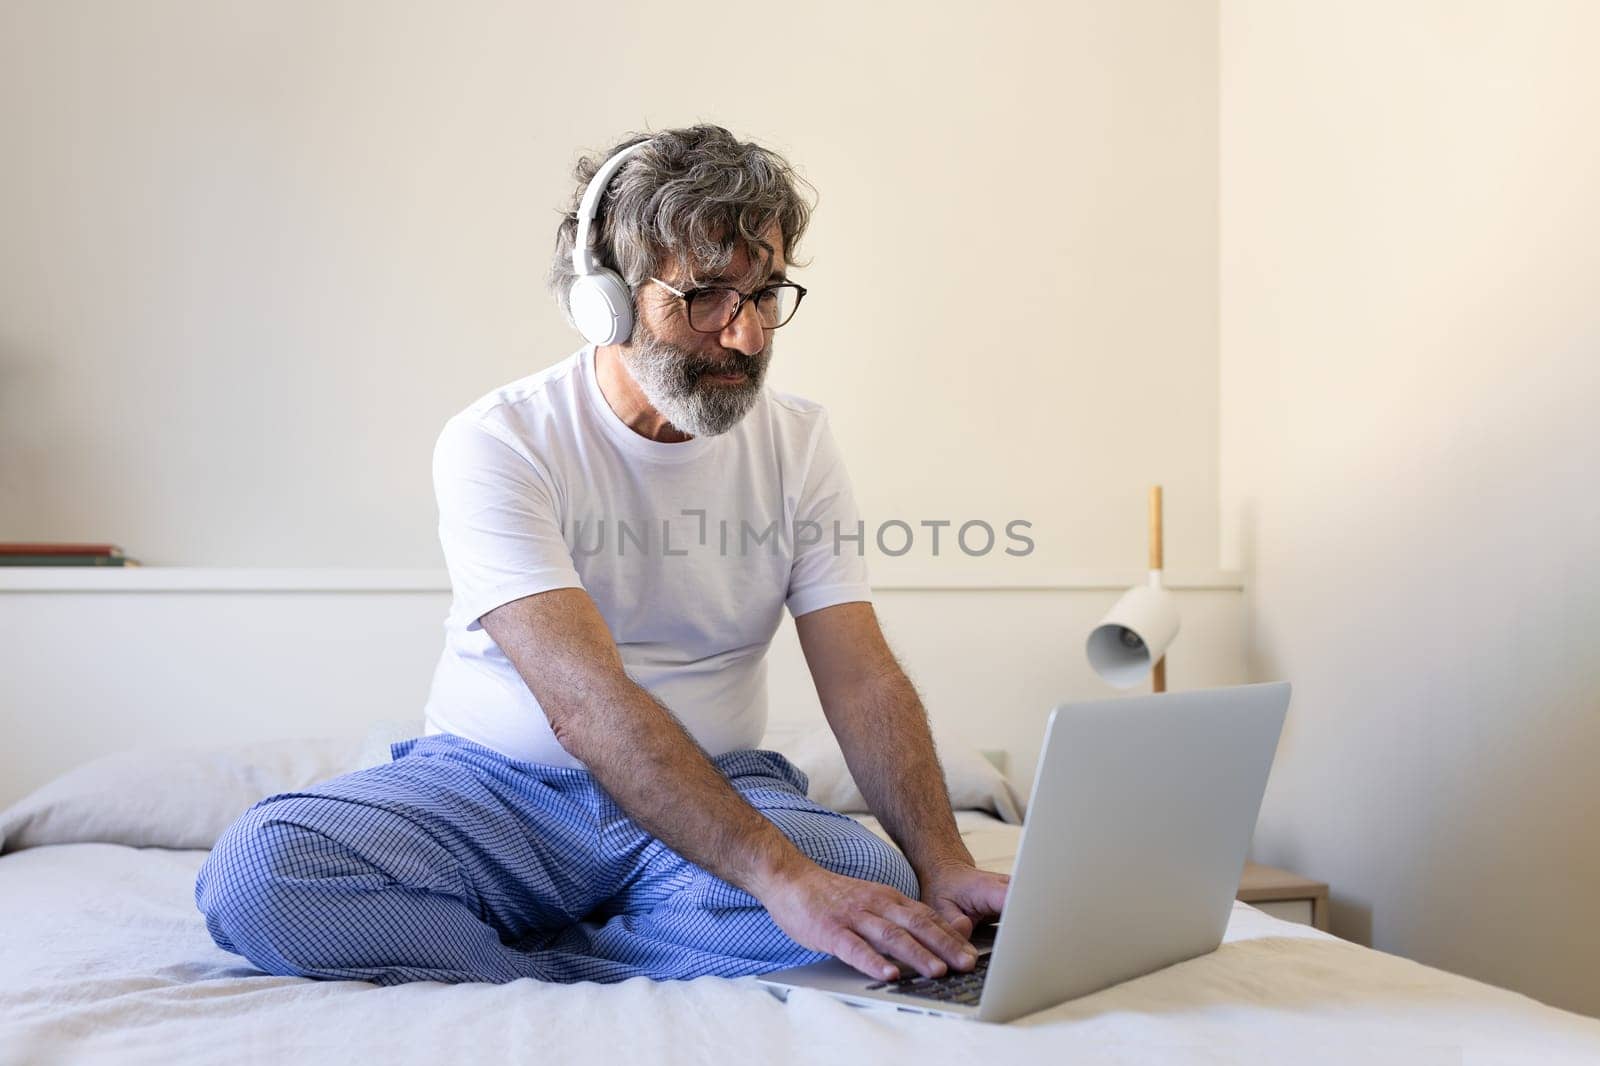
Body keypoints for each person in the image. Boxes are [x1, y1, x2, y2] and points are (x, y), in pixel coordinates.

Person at [195, 124, 1008, 987]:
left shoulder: (798, 442)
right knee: (261, 879)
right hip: (498, 793)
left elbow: (861, 675)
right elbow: (585, 707)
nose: (748, 337)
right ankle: (616, 946)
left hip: (721, 786)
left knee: (874, 891)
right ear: (606, 301)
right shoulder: (502, 441)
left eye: (766, 292)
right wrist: (783, 879)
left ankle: (534, 945)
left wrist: (942, 861)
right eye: (705, 297)